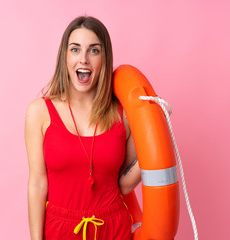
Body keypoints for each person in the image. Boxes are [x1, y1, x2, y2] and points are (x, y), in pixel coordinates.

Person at [25, 16, 141, 240]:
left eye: (94, 51)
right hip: (60, 230)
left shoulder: (124, 114)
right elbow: (38, 184)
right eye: (75, 49)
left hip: (113, 228)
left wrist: (155, 131)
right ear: (65, 57)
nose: (84, 59)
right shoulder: (39, 112)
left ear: (104, 59)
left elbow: (124, 185)